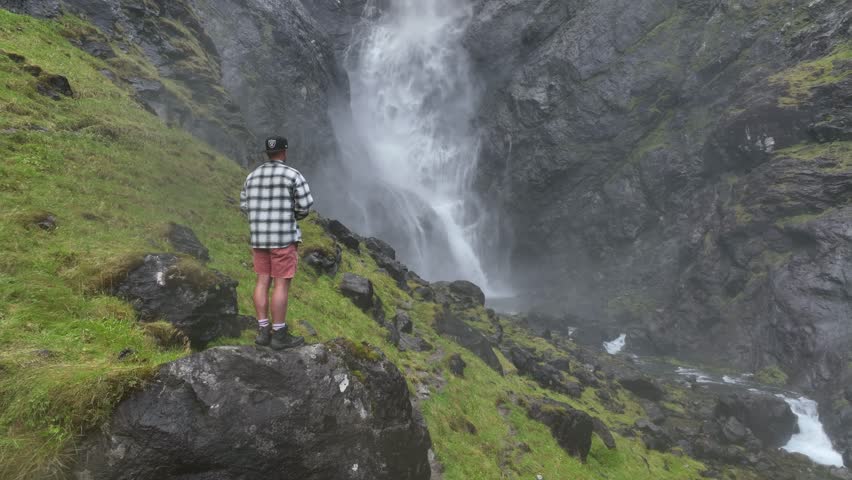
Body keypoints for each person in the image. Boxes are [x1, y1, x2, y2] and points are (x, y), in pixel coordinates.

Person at [240, 136, 313, 349]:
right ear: (284, 152)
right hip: (283, 238)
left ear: (267, 152)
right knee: (281, 284)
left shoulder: (252, 177)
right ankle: (279, 333)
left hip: (259, 238)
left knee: (262, 281)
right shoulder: (292, 175)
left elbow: (244, 206)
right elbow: (305, 205)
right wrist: (290, 216)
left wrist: (261, 219)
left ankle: (263, 331)